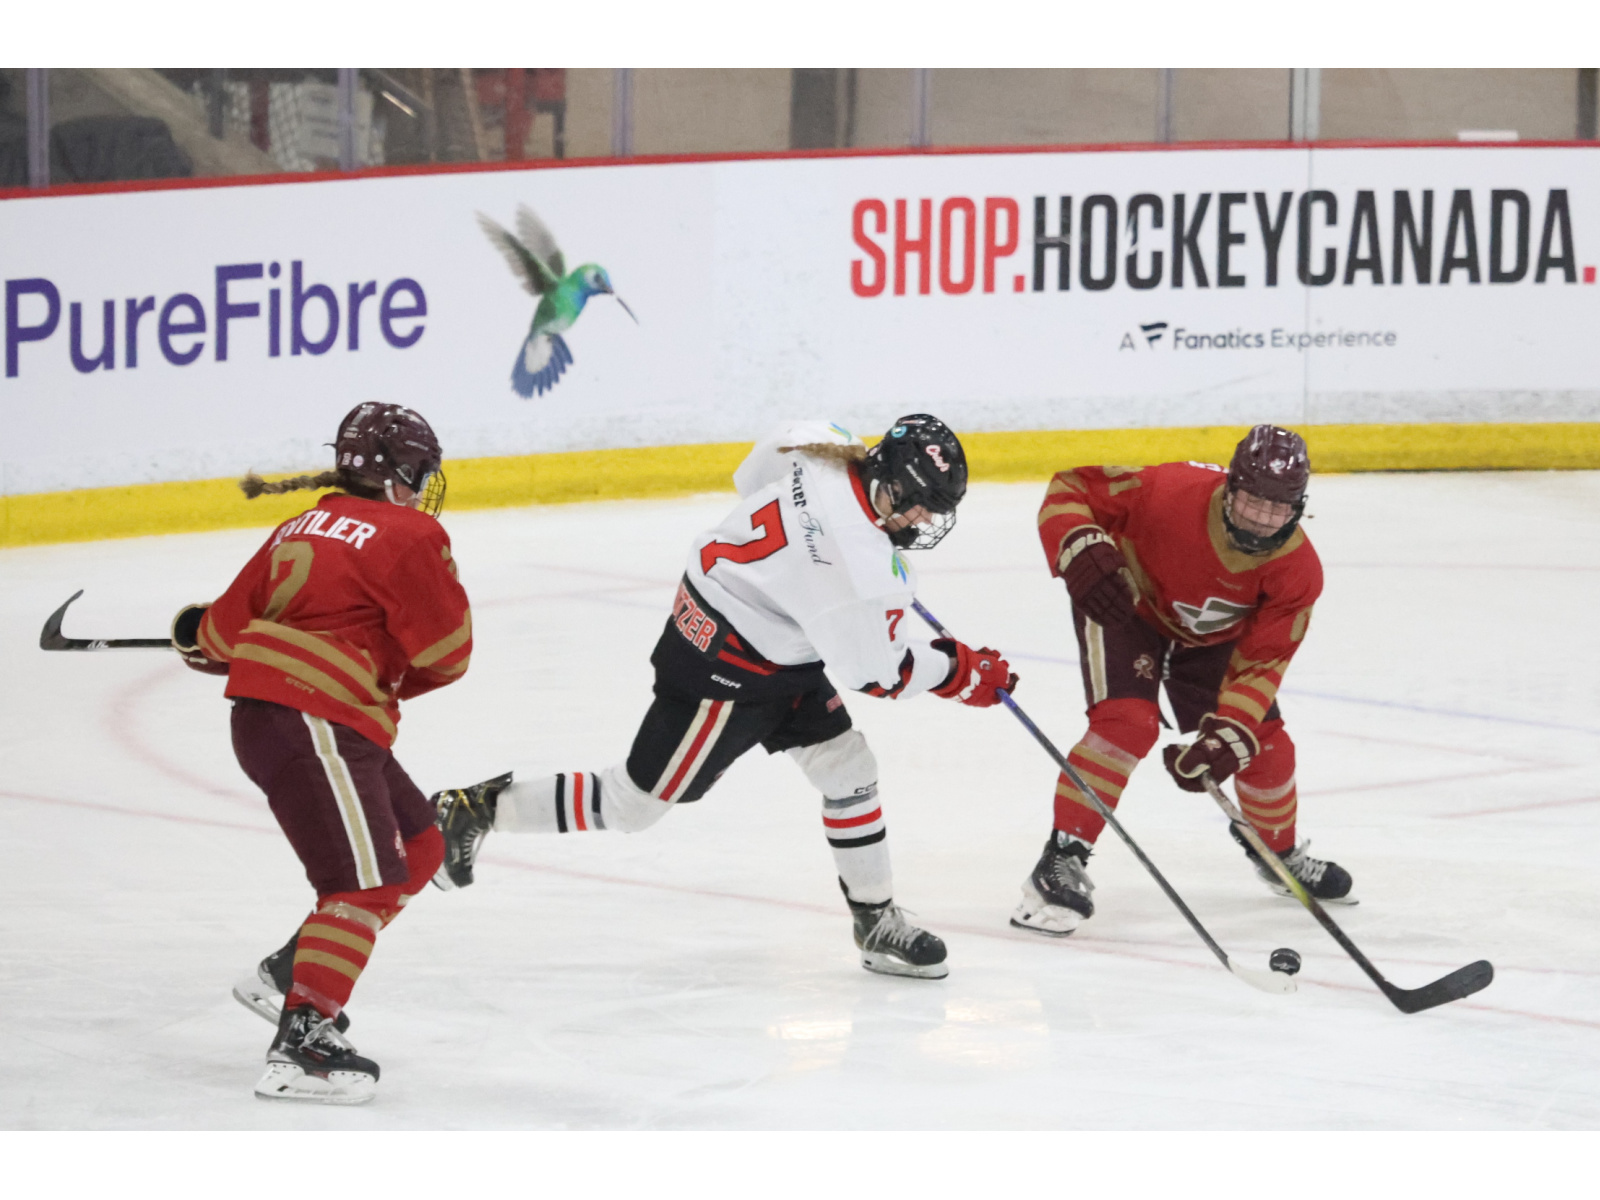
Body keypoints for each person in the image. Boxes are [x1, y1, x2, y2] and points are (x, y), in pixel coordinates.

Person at [432, 415, 1016, 979]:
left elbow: (752, 475)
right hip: (727, 671)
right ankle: (477, 810)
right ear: (888, 482)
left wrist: (798, 575)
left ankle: (875, 919)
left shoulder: (823, 442)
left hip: (768, 637)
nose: (922, 518)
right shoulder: (857, 568)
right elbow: (878, 674)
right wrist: (960, 672)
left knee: (849, 769)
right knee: (632, 804)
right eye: (917, 502)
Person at [170, 402, 471, 1104]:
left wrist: (196, 640)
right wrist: (379, 661)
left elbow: (217, 634)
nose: (423, 483)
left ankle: (286, 973)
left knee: (419, 845)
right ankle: (302, 1043)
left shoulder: (295, 526)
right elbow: (448, 654)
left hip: (290, 720)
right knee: (360, 886)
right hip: (316, 719)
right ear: (397, 473)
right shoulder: (413, 533)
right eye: (419, 471)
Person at [1013, 424, 1352, 937]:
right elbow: (1070, 488)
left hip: (1212, 641)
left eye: (1278, 509)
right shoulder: (1167, 491)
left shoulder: (1298, 571)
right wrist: (1078, 546)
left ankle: (1275, 852)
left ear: (1299, 505)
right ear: (1231, 487)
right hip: (1127, 607)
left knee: (1266, 747)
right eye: (1252, 503)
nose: (1262, 522)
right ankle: (1059, 860)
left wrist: (1227, 735)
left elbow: (1261, 663)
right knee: (1127, 723)